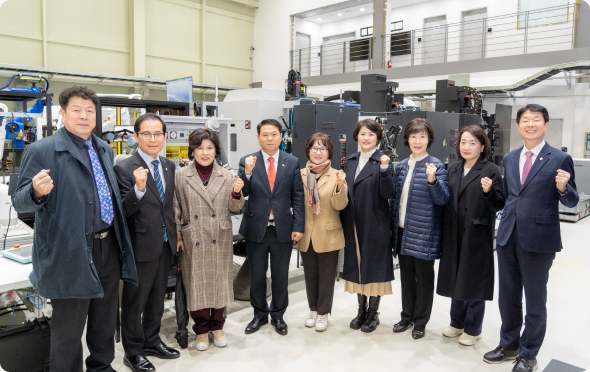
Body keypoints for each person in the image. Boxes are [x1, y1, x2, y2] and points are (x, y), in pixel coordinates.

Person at [11, 86, 138, 372]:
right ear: (63, 113)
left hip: (109, 246)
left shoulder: (104, 148)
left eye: (89, 110)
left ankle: (101, 367)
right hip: (70, 252)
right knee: (68, 330)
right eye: (76, 110)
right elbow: (21, 202)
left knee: (104, 321)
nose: (84, 116)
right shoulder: (41, 150)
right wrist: (35, 192)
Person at [483, 104, 578, 372]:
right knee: (508, 296)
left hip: (539, 237)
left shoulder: (558, 159)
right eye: (526, 120)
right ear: (519, 125)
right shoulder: (511, 158)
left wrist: (562, 188)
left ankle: (529, 354)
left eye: (536, 120)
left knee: (535, 299)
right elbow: (511, 198)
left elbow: (571, 200)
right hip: (508, 236)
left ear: (546, 125)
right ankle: (509, 344)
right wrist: (490, 193)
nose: (531, 124)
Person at [114, 113, 179, 372]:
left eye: (157, 134)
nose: (153, 139)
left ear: (165, 137)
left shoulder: (168, 165)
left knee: (157, 299)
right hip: (140, 246)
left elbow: (168, 206)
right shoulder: (124, 168)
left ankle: (152, 341)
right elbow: (122, 211)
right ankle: (132, 351)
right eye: (146, 134)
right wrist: (138, 189)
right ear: (136, 136)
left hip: (165, 243)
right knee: (134, 302)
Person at [174, 129, 245, 350]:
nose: (205, 153)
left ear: (216, 150)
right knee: (196, 284)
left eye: (209, 148)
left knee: (219, 282)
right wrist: (178, 233)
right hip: (193, 235)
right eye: (200, 148)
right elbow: (175, 207)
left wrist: (236, 194)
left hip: (219, 235)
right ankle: (201, 329)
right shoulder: (181, 175)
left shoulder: (226, 175)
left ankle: (218, 325)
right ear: (192, 151)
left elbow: (236, 207)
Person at [437, 125, 505, 347]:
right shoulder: (454, 168)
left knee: (474, 281)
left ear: (482, 146)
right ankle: (456, 322)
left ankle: (473, 328)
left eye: (473, 143)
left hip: (476, 233)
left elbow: (499, 203)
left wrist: (488, 192)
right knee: (457, 277)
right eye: (463, 142)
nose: (467, 147)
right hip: (454, 232)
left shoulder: (491, 170)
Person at [238, 119, 305, 336]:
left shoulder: (292, 162)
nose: (269, 138)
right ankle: (259, 315)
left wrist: (299, 226)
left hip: (282, 229)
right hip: (256, 228)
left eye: (274, 134)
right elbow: (242, 193)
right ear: (258, 137)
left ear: (281, 137)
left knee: (280, 276)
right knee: (257, 275)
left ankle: (278, 315)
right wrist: (246, 173)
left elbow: (298, 197)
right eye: (265, 134)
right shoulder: (247, 161)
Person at [389, 118, 449, 340]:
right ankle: (406, 316)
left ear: (429, 139)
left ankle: (421, 322)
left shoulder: (436, 165)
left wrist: (433, 181)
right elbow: (395, 201)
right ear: (407, 139)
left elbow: (443, 200)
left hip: (424, 232)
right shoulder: (402, 166)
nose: (417, 140)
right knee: (406, 277)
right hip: (403, 231)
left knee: (423, 280)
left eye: (422, 136)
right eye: (413, 136)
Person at [340, 119, 395, 334]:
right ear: (357, 136)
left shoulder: (382, 161)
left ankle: (373, 314)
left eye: (371, 134)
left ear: (377, 138)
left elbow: (389, 193)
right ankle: (361, 311)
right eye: (363, 134)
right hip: (353, 221)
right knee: (357, 265)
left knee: (374, 267)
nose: (366, 138)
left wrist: (384, 171)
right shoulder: (351, 161)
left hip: (375, 222)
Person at [298, 133, 348, 332]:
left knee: (327, 276)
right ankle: (312, 309)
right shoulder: (300, 174)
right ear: (308, 151)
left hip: (329, 234)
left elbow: (340, 204)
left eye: (323, 149)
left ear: (329, 152)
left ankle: (323, 313)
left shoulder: (337, 175)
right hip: (306, 234)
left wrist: (339, 186)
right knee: (310, 276)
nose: (318, 152)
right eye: (314, 148)